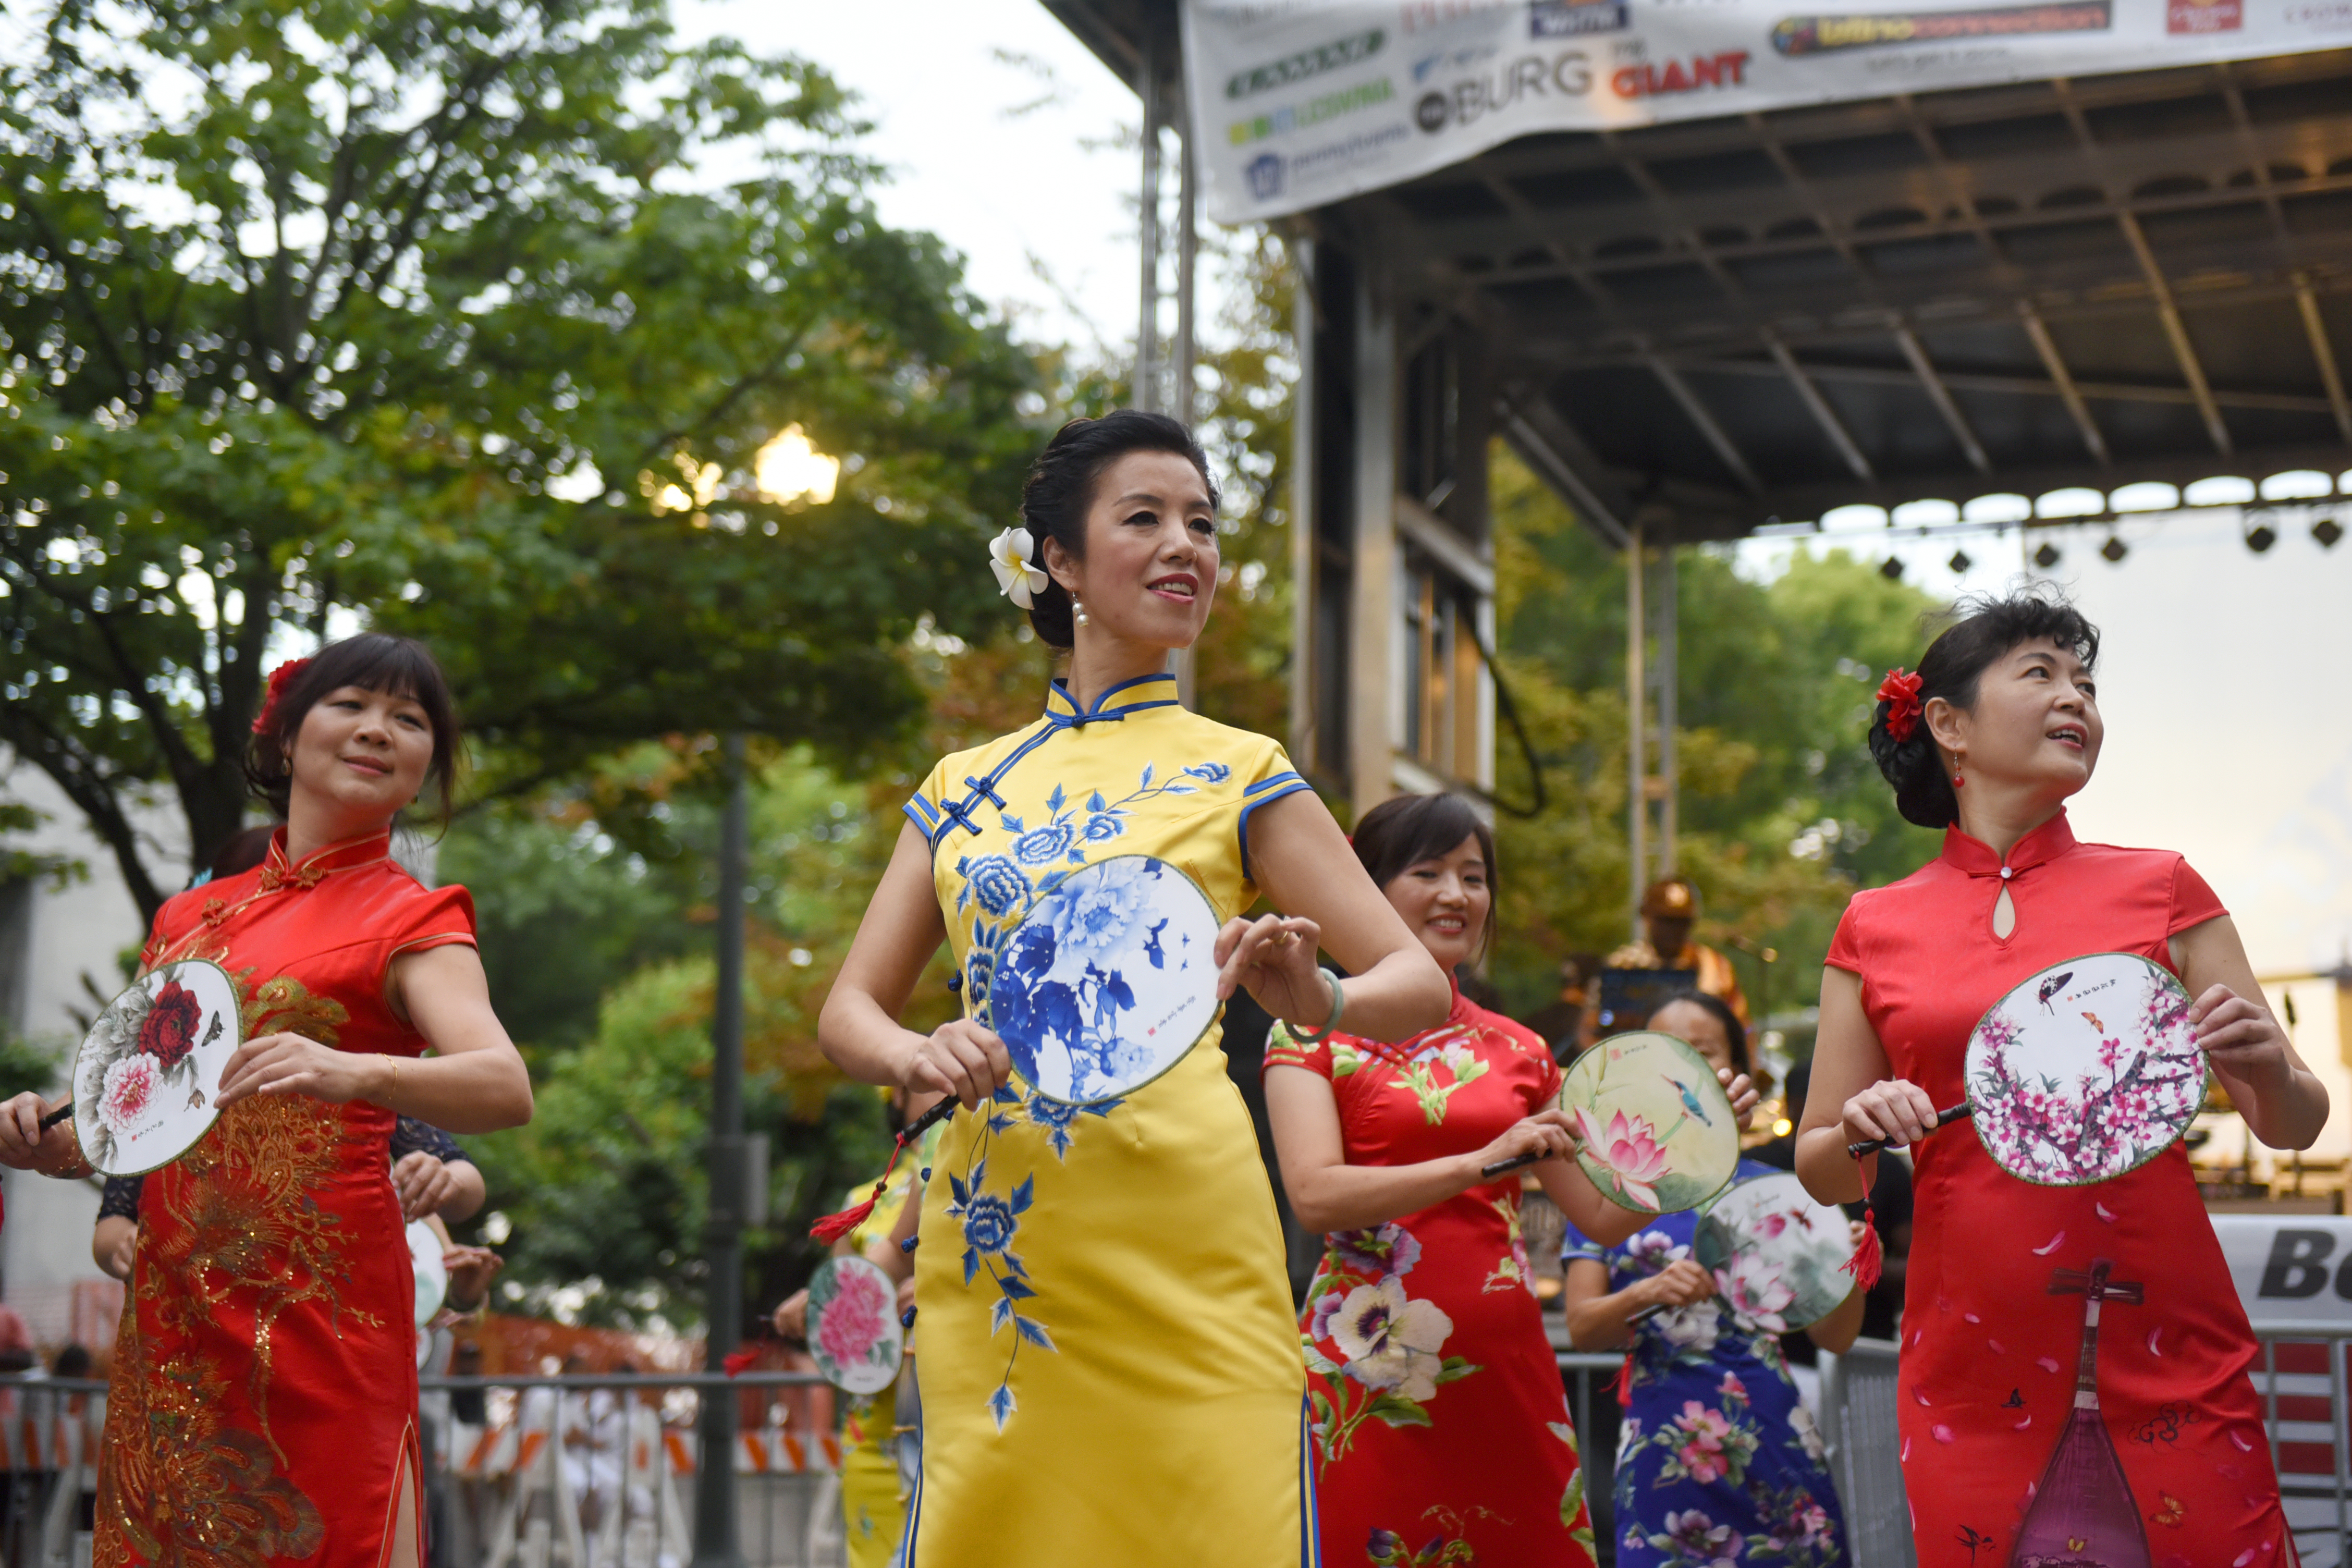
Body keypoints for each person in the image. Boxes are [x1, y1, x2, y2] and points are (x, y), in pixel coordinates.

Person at [816, 410, 1453, 1567]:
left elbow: (1416, 981)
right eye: (1146, 517)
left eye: (1202, 523)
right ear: (1057, 560)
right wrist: (915, 1052)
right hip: (1003, 1244)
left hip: (1190, 1234)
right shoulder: (963, 785)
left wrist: (1321, 1005)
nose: (1187, 547)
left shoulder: (1243, 768)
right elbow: (848, 1010)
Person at [1794, 591, 2324, 1565]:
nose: (2075, 696)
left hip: (2171, 1339)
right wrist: (1861, 1128)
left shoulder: (2164, 884)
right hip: (1969, 1357)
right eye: (2039, 673)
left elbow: (2292, 1122)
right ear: (1946, 724)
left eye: (2084, 680)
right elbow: (1822, 1165)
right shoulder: (1871, 923)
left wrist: (2264, 1064)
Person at [0, 631, 535, 1568]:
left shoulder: (413, 913)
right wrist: (62, 1140)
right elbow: (145, 1115)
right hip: (174, 1311)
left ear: (423, 772)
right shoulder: (186, 919)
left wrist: (357, 1071)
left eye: (408, 720)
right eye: (352, 704)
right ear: (286, 738)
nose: (378, 729)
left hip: (319, 1315)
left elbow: (503, 1083)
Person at [1264, 793, 1758, 1565]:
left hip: (1504, 1363)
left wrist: (1698, 1139)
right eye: (1427, 872)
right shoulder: (1308, 1024)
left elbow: (1601, 1214)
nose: (1457, 895)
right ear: (1363, 889)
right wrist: (1483, 1161)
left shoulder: (1521, 1049)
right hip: (1369, 1367)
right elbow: (1315, 1196)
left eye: (1474, 876)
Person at [1562, 991, 1857, 1567]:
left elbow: (1835, 1336)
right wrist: (1649, 1292)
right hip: (1663, 1445)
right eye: (1666, 1052)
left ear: (1740, 1071)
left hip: (1772, 1432)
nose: (1685, 1069)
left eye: (1703, 1051)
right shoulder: (1606, 1189)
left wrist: (1847, 1265)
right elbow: (1583, 1326)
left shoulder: (1777, 1188)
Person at [771, 1086, 940, 1568]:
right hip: (878, 1422)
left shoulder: (977, 1160)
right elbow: (849, 1310)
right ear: (899, 1100)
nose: (941, 1084)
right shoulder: (865, 1201)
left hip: (959, 1405)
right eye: (924, 1079)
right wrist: (820, 1307)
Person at [91, 1113, 486, 1280]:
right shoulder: (171, 1084)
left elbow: (466, 1178)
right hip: (187, 1323)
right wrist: (125, 1246)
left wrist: (445, 1180)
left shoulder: (349, 1062)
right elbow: (113, 1221)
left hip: (327, 1319)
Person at [1751, 1059, 1910, 1349]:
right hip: (1778, 1347)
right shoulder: (1759, 1166)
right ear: (1792, 1105)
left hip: (1867, 1344)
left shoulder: (1888, 1170)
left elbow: (1914, 1263)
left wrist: (1863, 1261)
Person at [1608, 877, 1750, 1025]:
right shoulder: (1623, 965)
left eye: (1682, 922)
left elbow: (1743, 1026)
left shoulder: (1716, 967)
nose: (1673, 930)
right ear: (1646, 917)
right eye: (1665, 921)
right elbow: (1592, 1029)